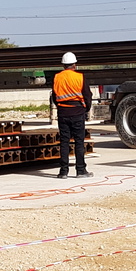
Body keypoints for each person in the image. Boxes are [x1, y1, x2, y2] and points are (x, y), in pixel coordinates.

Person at [50, 51, 93, 179]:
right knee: (79, 142)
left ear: (63, 65)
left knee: (64, 142)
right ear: (74, 65)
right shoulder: (79, 77)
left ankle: (63, 172)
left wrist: (61, 107)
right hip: (77, 113)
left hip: (63, 113)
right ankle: (81, 170)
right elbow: (87, 95)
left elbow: (54, 96)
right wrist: (86, 109)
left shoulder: (57, 77)